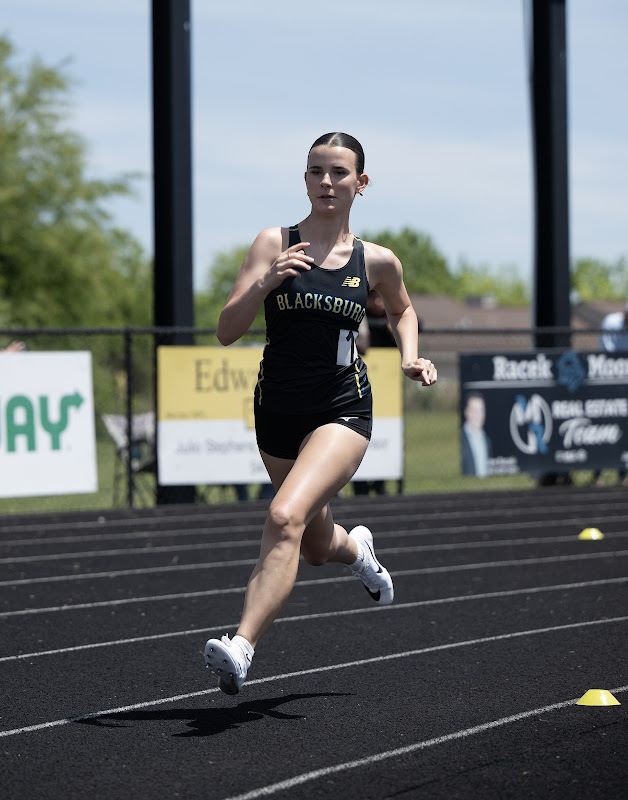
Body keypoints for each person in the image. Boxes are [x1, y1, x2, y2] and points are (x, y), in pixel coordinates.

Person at [204, 132, 437, 694]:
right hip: (278, 408)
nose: (325, 182)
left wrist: (409, 356)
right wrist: (266, 280)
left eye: (337, 173)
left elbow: (403, 311)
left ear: (360, 184)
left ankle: (241, 647)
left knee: (283, 517)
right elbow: (226, 331)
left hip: (342, 408)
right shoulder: (273, 241)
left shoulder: (375, 260)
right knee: (311, 543)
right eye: (315, 171)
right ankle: (357, 550)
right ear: (304, 179)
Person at [593, 304, 628, 485]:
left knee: (624, 430)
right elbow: (608, 355)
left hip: (625, 384)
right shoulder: (612, 322)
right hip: (607, 382)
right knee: (601, 428)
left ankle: (623, 474)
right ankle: (598, 473)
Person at [461, 392, 492, 476]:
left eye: (480, 410)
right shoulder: (459, 439)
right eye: (474, 410)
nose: (477, 415)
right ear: (466, 412)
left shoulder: (487, 440)